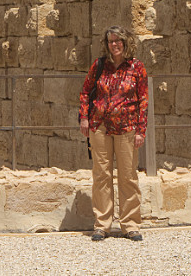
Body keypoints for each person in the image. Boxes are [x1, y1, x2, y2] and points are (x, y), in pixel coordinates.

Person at [79, 25, 148, 241]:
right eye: (111, 41)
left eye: (118, 40)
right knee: (101, 175)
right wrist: (84, 117)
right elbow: (85, 92)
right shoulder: (100, 65)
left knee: (128, 176)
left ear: (126, 42)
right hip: (100, 127)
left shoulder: (137, 67)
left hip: (127, 129)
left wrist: (141, 130)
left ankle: (130, 224)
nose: (114, 44)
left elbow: (143, 100)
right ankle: (102, 224)